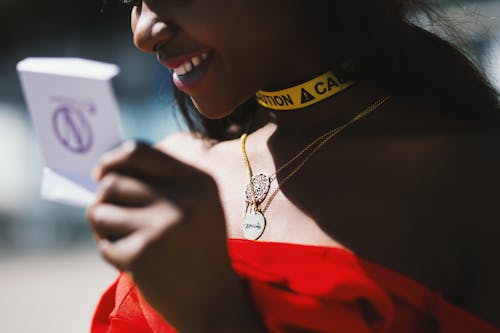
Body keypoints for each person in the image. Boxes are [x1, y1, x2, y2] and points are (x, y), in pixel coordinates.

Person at [88, 0, 500, 332]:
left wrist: (214, 317)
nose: (143, 33)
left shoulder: (472, 177)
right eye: (134, 1)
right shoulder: (171, 172)